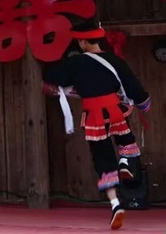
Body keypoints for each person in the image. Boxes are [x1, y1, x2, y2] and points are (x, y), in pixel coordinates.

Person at [42, 21, 150, 230]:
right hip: (115, 110)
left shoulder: (75, 63)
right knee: (126, 140)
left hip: (94, 115)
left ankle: (115, 203)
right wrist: (144, 103)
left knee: (102, 156)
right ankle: (125, 163)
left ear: (83, 42)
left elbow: (52, 76)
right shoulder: (115, 60)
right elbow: (132, 85)